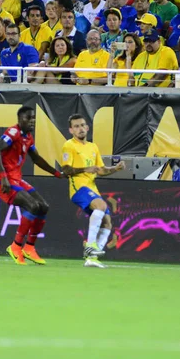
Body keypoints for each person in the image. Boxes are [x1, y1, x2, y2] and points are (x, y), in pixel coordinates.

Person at [0, 106, 64, 265]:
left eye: (33, 118)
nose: (32, 121)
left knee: (43, 206)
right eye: (28, 118)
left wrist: (56, 173)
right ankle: (15, 246)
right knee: (32, 205)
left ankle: (29, 247)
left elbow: (36, 159)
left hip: (16, 178)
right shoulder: (13, 132)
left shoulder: (28, 137)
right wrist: (3, 177)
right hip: (0, 179)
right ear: (19, 119)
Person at [61, 114, 126, 268]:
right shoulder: (69, 145)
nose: (80, 128)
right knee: (102, 206)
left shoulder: (93, 147)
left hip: (92, 188)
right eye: (76, 126)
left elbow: (101, 170)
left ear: (88, 127)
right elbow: (65, 169)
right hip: (79, 187)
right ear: (71, 130)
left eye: (82, 125)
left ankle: (92, 259)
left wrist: (115, 169)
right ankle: (90, 244)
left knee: (107, 222)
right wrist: (86, 169)